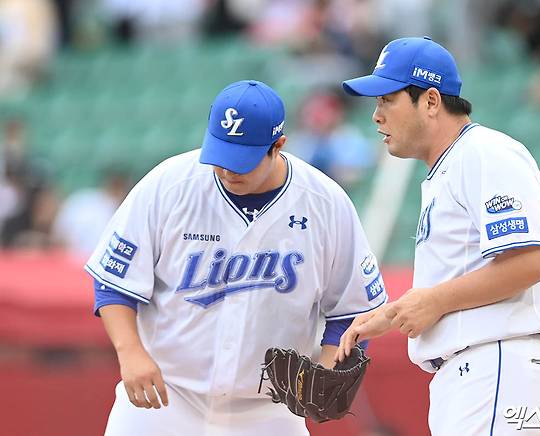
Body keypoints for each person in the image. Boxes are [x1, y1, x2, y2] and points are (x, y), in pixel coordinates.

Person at [85, 80, 387, 436]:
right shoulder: (169, 185)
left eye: (240, 161)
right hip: (165, 399)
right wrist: (129, 352)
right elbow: (113, 281)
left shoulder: (325, 203)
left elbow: (354, 310)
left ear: (278, 146)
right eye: (220, 157)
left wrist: (328, 367)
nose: (227, 171)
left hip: (269, 412)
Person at [336, 37, 540, 435]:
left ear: (431, 101)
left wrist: (434, 300)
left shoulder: (484, 151)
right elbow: (464, 272)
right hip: (475, 374)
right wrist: (391, 314)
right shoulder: (448, 166)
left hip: (495, 364)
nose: (376, 115)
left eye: (387, 100)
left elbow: (537, 259)